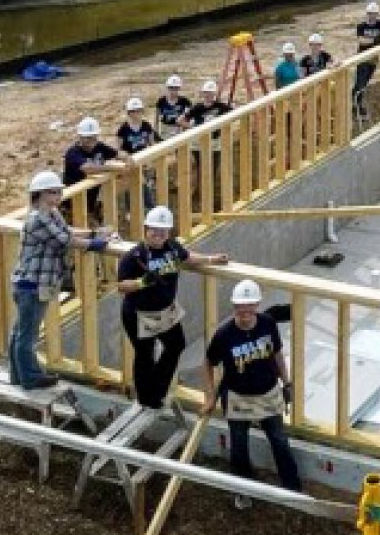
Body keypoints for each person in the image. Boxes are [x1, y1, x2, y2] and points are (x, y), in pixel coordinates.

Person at [202, 279, 303, 508]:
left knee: (279, 440)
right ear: (234, 306)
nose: (245, 311)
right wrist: (210, 397)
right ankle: (243, 491)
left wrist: (287, 383)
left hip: (268, 393)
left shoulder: (267, 323)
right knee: (239, 447)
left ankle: (292, 489)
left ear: (257, 305)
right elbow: (207, 363)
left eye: (250, 306)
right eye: (240, 306)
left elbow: (277, 355)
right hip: (238, 397)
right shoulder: (225, 334)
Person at [117, 206, 228, 409]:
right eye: (154, 230)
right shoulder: (134, 256)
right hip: (139, 314)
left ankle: (157, 389)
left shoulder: (172, 248)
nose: (158, 234)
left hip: (164, 312)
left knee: (176, 345)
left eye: (163, 231)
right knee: (144, 354)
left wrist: (211, 259)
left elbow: (187, 257)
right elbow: (121, 286)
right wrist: (142, 282)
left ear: (168, 232)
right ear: (146, 229)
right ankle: (146, 398)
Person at [8, 171, 111, 388]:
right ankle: (30, 378)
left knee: (21, 332)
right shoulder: (37, 219)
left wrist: (93, 234)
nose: (57, 196)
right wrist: (94, 244)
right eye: (52, 192)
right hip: (32, 285)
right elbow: (63, 240)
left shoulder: (51, 214)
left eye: (58, 192)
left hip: (33, 284)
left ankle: (17, 376)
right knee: (27, 335)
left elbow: (67, 231)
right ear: (39, 194)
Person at [63, 117, 128, 223]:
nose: (91, 141)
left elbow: (118, 154)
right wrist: (113, 168)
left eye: (94, 137)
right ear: (80, 137)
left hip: (90, 203)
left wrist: (127, 159)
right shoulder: (73, 153)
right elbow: (88, 168)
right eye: (88, 138)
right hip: (73, 205)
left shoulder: (99, 147)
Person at [116, 97, 159, 209]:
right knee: (131, 186)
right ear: (129, 113)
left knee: (145, 184)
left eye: (139, 111)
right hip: (130, 161)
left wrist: (151, 160)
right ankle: (133, 210)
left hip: (144, 160)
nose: (137, 114)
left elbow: (152, 144)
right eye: (134, 111)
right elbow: (119, 148)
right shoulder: (123, 129)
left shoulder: (146, 126)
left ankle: (148, 207)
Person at [352, 0, 380, 116]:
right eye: (370, 13)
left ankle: (356, 102)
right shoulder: (361, 26)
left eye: (374, 14)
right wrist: (375, 41)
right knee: (360, 82)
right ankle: (356, 105)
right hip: (363, 58)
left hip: (374, 59)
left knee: (365, 82)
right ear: (367, 14)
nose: (372, 16)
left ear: (377, 14)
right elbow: (361, 41)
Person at [155, 75, 191, 140]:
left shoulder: (185, 102)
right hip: (165, 132)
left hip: (179, 131)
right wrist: (156, 135)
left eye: (176, 88)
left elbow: (189, 119)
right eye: (171, 88)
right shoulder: (161, 101)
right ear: (167, 88)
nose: (173, 91)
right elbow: (156, 120)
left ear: (179, 88)